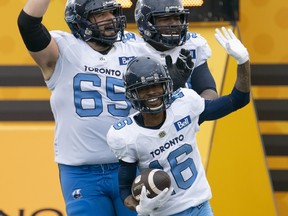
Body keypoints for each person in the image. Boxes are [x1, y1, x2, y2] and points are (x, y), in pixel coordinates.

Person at [17, 0, 193, 215]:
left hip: (131, 163)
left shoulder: (137, 48)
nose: (110, 18)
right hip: (81, 171)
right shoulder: (62, 50)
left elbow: (160, 104)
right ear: (80, 20)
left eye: (112, 12)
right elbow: (27, 24)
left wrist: (174, 85)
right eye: (100, 14)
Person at [107, 27, 250, 216]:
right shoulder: (126, 135)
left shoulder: (185, 105)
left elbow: (238, 100)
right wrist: (140, 207)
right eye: (144, 88)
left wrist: (243, 61)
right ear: (133, 94)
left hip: (201, 208)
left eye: (157, 85)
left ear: (166, 87)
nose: (152, 92)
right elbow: (125, 191)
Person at [125, 0, 218, 99]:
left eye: (177, 17)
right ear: (146, 22)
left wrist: (196, 109)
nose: (174, 24)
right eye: (165, 18)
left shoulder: (192, 45)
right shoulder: (129, 49)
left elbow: (209, 91)